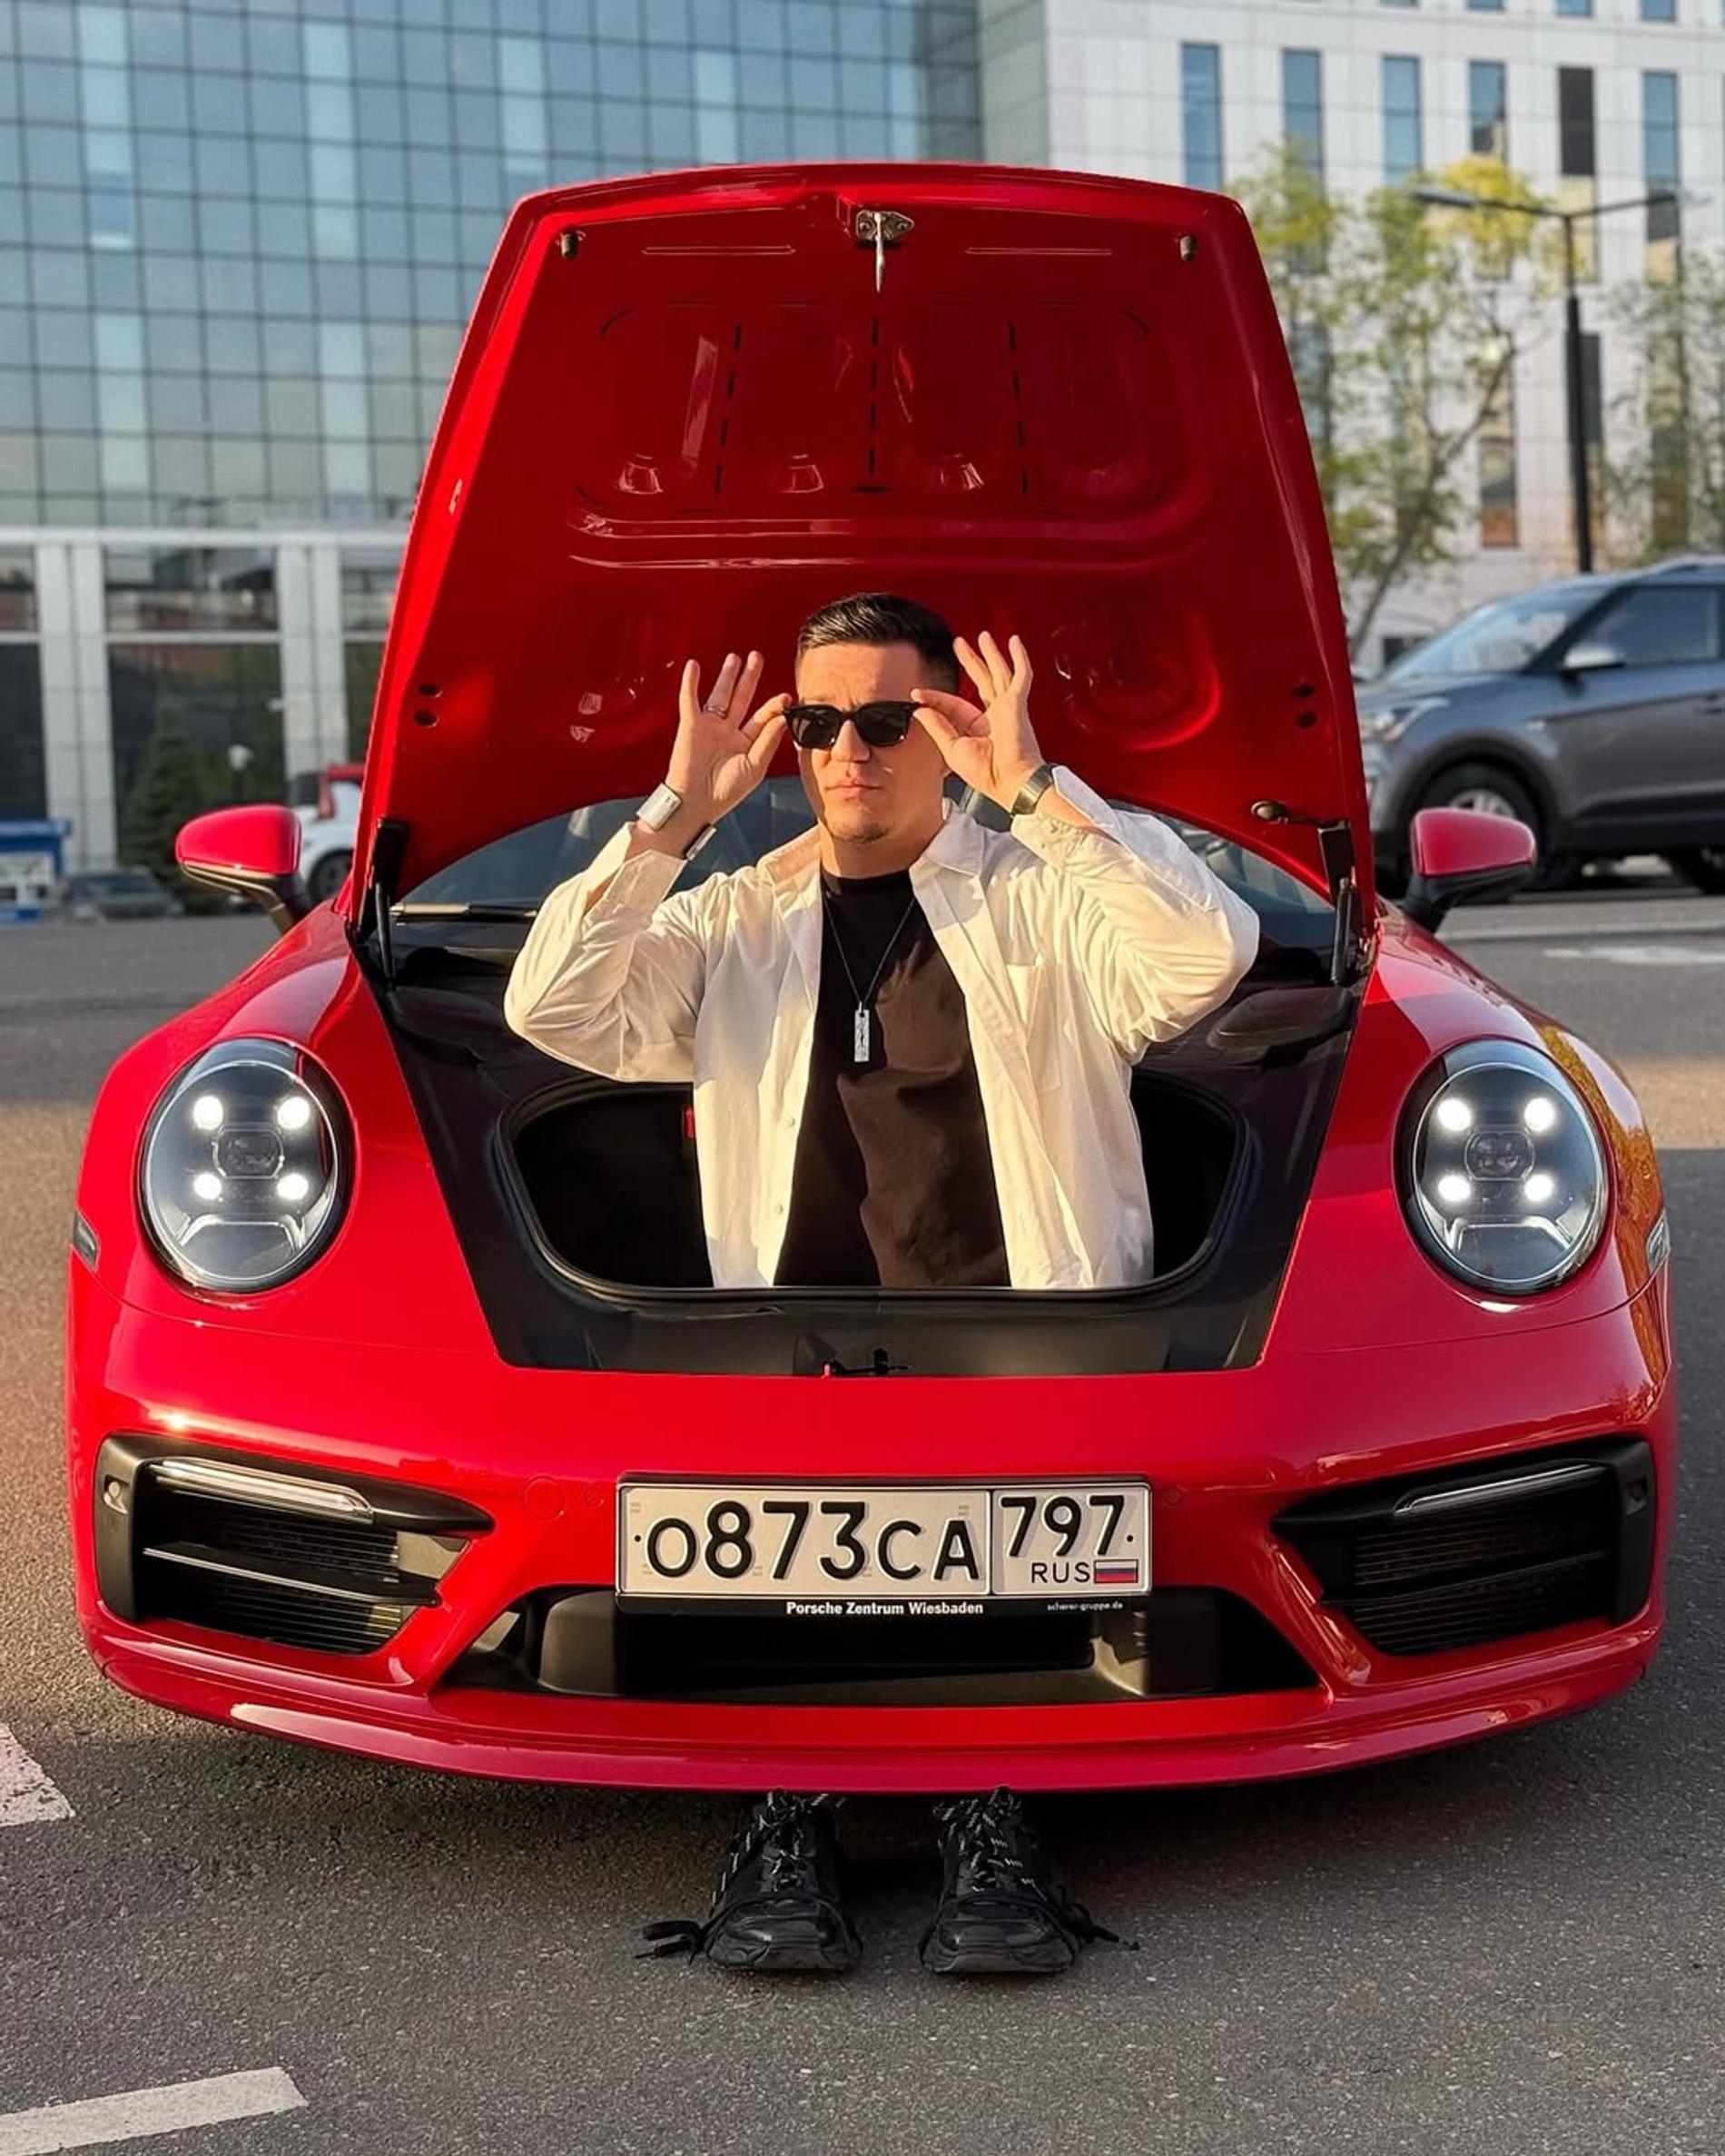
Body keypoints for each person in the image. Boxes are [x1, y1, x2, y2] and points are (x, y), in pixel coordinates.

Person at [505, 594, 1259, 1974]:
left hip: (1026, 1336)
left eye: (885, 720)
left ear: (945, 728)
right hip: (792, 1342)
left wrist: (1036, 791)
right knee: (790, 1572)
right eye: (817, 723)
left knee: (1008, 1583)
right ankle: (785, 1821)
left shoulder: (1041, 899)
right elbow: (551, 1006)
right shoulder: (738, 915)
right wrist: (672, 818)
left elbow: (1204, 955)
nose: (847, 750)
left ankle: (996, 1819)